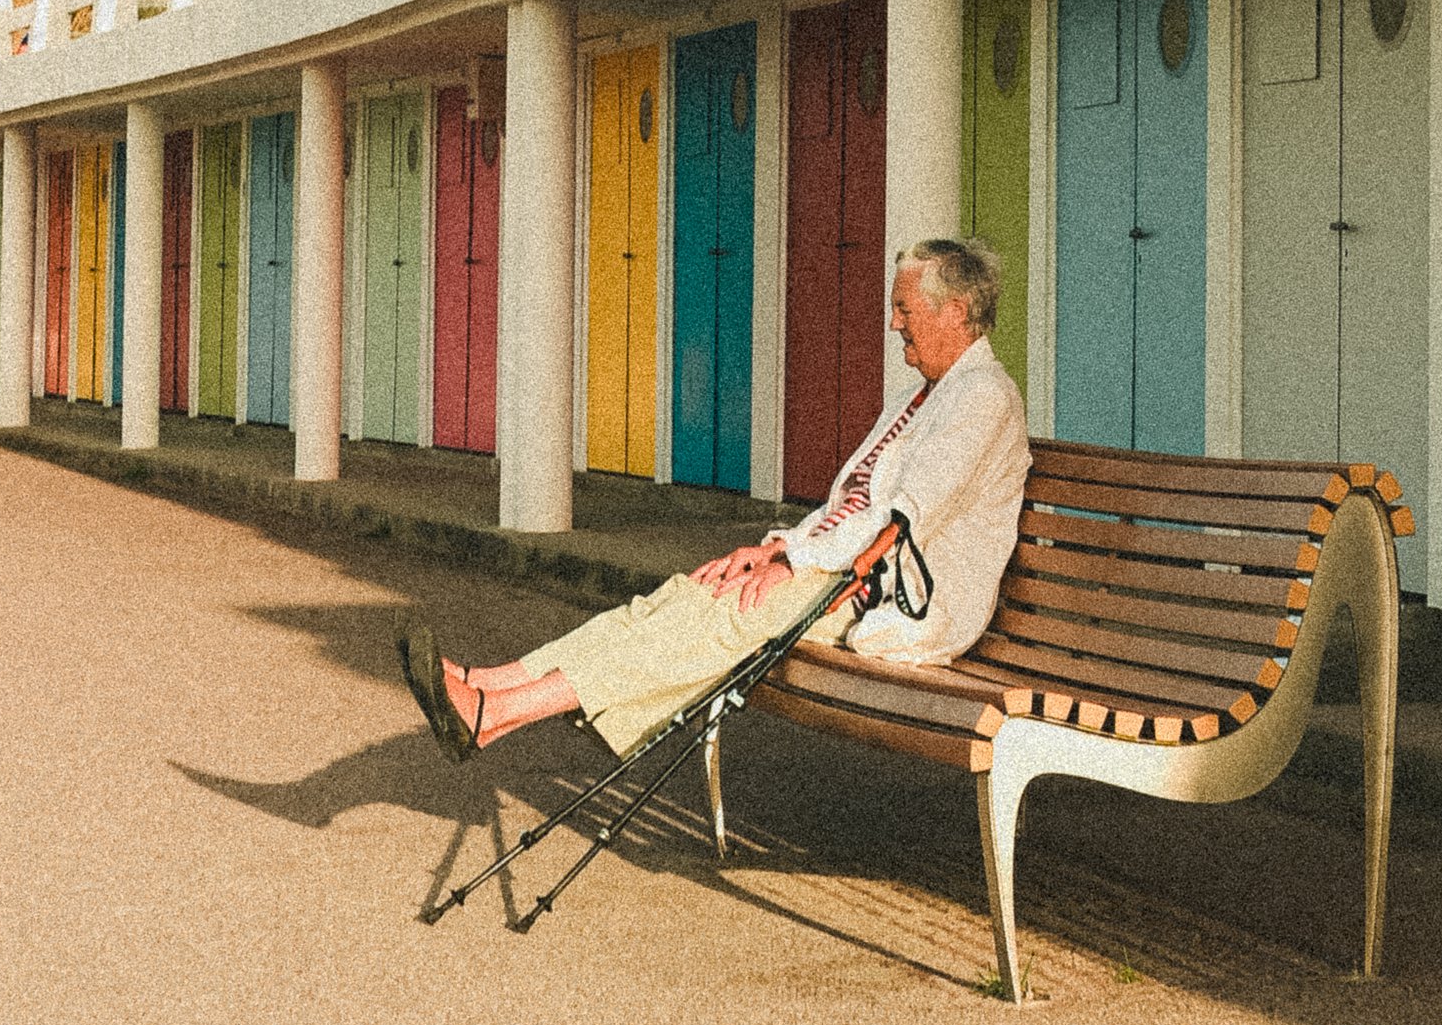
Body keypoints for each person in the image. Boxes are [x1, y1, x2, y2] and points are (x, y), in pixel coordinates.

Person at [399, 237, 1028, 760]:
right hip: (846, 573)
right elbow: (853, 508)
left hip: (895, 597)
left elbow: (901, 520)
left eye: (904, 309)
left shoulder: (983, 397)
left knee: (714, 618)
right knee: (683, 596)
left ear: (955, 311)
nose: (893, 324)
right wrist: (775, 550)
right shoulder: (926, 394)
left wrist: (791, 565)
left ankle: (496, 713)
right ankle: (491, 684)